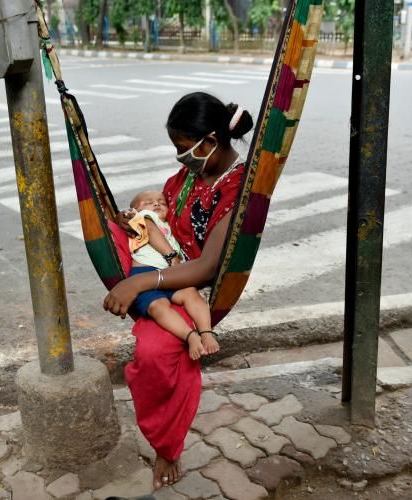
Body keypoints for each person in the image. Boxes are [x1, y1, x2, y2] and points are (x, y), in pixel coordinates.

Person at [103, 92, 254, 489]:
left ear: (211, 141)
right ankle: (165, 440)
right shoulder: (189, 176)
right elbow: (162, 216)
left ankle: (166, 446)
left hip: (189, 281)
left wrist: (140, 280)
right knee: (106, 231)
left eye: (184, 149)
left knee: (156, 356)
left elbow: (206, 267)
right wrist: (134, 220)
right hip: (160, 263)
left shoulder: (237, 189)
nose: (180, 158)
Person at [123, 190, 219, 361]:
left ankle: (206, 332)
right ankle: (190, 336)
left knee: (192, 294)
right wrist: (171, 256)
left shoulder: (169, 224)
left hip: (171, 275)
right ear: (136, 210)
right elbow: (150, 231)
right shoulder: (143, 217)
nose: (156, 204)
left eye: (161, 201)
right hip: (145, 273)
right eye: (148, 202)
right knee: (157, 307)